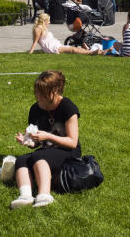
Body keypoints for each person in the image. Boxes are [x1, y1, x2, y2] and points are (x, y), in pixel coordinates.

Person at [10, 70, 81, 209]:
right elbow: (36, 142)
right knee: (21, 159)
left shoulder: (67, 107)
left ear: (54, 91)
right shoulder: (35, 109)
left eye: (41, 92)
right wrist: (28, 141)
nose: (37, 95)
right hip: (48, 150)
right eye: (37, 91)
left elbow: (72, 142)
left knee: (39, 155)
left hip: (68, 151)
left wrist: (48, 136)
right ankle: (25, 196)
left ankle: (44, 195)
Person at [28, 13, 101, 55]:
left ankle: (93, 52)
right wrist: (31, 51)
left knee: (74, 48)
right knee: (73, 49)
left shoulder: (42, 28)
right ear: (44, 21)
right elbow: (35, 41)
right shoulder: (39, 28)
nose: (49, 23)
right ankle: (91, 53)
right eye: (48, 21)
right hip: (52, 48)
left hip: (55, 45)